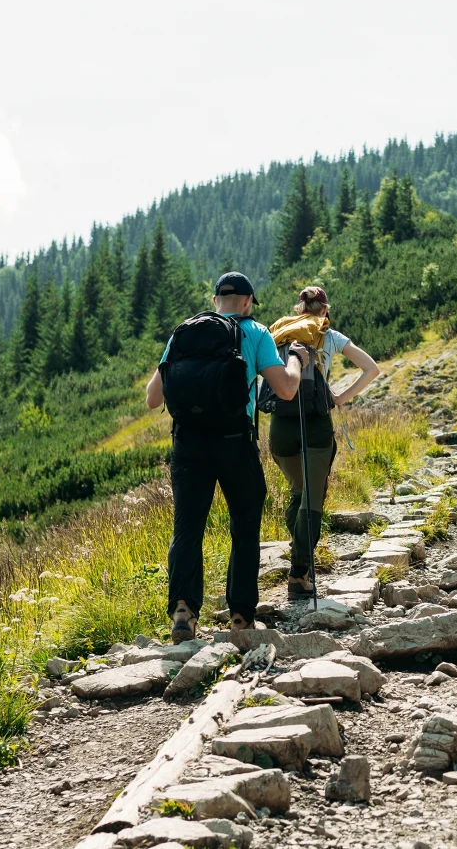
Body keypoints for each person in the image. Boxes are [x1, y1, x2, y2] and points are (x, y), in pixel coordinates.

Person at [144, 271, 310, 643]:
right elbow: (284, 390)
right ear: (248, 302)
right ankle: (240, 616)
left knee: (187, 528)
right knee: (244, 527)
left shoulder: (183, 333)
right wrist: (296, 360)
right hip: (235, 441)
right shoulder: (256, 332)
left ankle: (184, 610)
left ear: (216, 299)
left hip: (188, 445)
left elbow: (153, 399)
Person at [267, 286, 380, 599]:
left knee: (297, 491)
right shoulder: (330, 336)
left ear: (298, 310)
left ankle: (298, 551)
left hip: (281, 426)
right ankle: (299, 574)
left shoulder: (278, 333)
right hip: (315, 424)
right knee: (312, 501)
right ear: (324, 311)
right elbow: (372, 369)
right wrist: (340, 398)